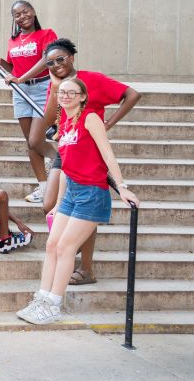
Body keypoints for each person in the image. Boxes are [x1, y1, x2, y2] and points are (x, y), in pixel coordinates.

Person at [16, 77, 139, 325]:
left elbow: (107, 152)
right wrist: (60, 202)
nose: (66, 96)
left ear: (83, 96)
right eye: (62, 92)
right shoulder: (66, 123)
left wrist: (122, 186)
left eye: (72, 93)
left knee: (65, 248)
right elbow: (66, 168)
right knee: (52, 245)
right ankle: (42, 298)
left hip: (92, 192)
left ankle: (53, 304)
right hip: (72, 191)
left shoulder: (90, 118)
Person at [34, 38, 142, 285]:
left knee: (84, 206)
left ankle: (85, 267)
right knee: (49, 203)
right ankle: (70, 248)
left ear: (71, 57)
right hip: (67, 147)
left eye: (60, 59)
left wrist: (109, 123)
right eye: (50, 63)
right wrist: (54, 85)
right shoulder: (58, 85)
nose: (56, 65)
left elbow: (132, 95)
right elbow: (49, 118)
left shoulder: (92, 79)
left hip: (88, 152)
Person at [0, 0, 58, 202]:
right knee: (30, 143)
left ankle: (62, 160)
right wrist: (0, 63)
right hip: (20, 91)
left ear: (33, 12)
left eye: (25, 12)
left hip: (43, 88)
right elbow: (13, 69)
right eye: (17, 14)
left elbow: (47, 59)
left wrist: (22, 77)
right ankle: (44, 187)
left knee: (37, 140)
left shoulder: (47, 34)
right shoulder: (14, 41)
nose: (22, 16)